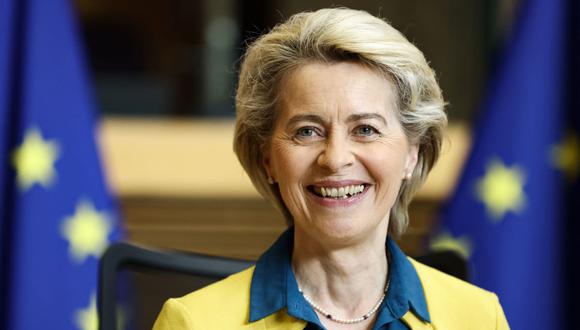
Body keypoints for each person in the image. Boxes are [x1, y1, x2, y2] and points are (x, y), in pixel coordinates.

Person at [154, 7, 509, 330]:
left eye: (365, 130)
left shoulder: (478, 317)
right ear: (268, 160)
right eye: (307, 131)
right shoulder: (193, 322)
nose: (335, 158)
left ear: (411, 154)